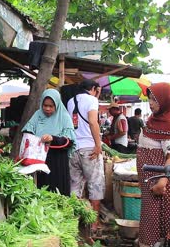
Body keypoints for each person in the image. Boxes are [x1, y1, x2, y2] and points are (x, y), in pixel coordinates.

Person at [136, 83, 170, 247]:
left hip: (159, 184)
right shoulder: (153, 120)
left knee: (158, 219)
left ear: (166, 101)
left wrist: (162, 182)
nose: (150, 102)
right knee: (149, 216)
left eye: (155, 99)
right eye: (149, 98)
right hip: (150, 183)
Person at [67, 79, 104, 234]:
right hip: (89, 147)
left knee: (75, 185)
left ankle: (74, 221)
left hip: (73, 148)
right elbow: (93, 122)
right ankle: (94, 223)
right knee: (95, 183)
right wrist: (98, 145)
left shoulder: (70, 101)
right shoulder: (92, 100)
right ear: (94, 88)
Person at [22, 89, 76, 196]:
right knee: (41, 190)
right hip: (40, 160)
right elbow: (28, 131)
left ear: (57, 105)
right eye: (45, 105)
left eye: (51, 106)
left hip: (57, 161)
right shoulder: (37, 115)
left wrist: (53, 138)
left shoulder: (64, 117)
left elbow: (69, 141)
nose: (47, 108)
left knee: (57, 192)